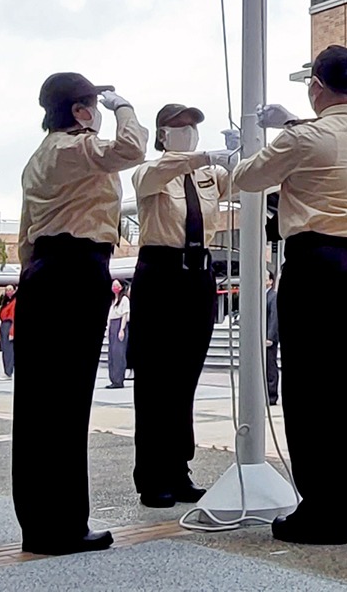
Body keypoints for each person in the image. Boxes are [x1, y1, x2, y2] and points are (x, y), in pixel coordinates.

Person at [233, 45, 347, 546]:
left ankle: (323, 511)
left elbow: (247, 178)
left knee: (311, 390)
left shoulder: (304, 138)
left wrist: (281, 129)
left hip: (317, 266)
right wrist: (295, 123)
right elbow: (331, 136)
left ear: (316, 85)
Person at [12, 74, 147, 555]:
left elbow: (27, 233)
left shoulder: (39, 156)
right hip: (74, 269)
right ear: (79, 111)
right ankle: (63, 525)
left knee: (38, 405)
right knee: (66, 403)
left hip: (45, 271)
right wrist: (124, 107)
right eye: (91, 103)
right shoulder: (75, 148)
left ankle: (42, 522)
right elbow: (132, 148)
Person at [129, 102, 234, 507]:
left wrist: (243, 151)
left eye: (193, 125)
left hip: (198, 276)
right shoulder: (151, 172)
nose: (188, 131)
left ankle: (178, 468)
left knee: (185, 377)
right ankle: (152, 474)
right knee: (155, 379)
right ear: (162, 134)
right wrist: (197, 157)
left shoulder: (209, 176)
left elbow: (246, 182)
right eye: (179, 126)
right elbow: (151, 176)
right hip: (160, 272)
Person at [106, 281, 130, 389]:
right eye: (113, 285)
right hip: (112, 326)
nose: (115, 287)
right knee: (112, 354)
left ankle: (119, 380)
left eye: (117, 285)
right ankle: (113, 379)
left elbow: (125, 314)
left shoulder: (124, 299)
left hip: (120, 324)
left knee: (119, 354)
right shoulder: (112, 300)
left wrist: (122, 329)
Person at [265, 270, 280, 405]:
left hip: (269, 339)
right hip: (260, 338)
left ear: (270, 281)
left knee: (270, 365)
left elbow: (274, 317)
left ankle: (272, 395)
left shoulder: (273, 296)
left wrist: (271, 336)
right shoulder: (262, 297)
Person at [0, 287, 17, 380]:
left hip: (9, 325)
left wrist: (12, 332)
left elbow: (14, 317)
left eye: (10, 289)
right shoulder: (6, 301)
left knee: (9, 350)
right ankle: (7, 370)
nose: (8, 292)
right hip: (4, 324)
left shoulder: (14, 302)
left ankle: (8, 372)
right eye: (6, 290)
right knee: (5, 349)